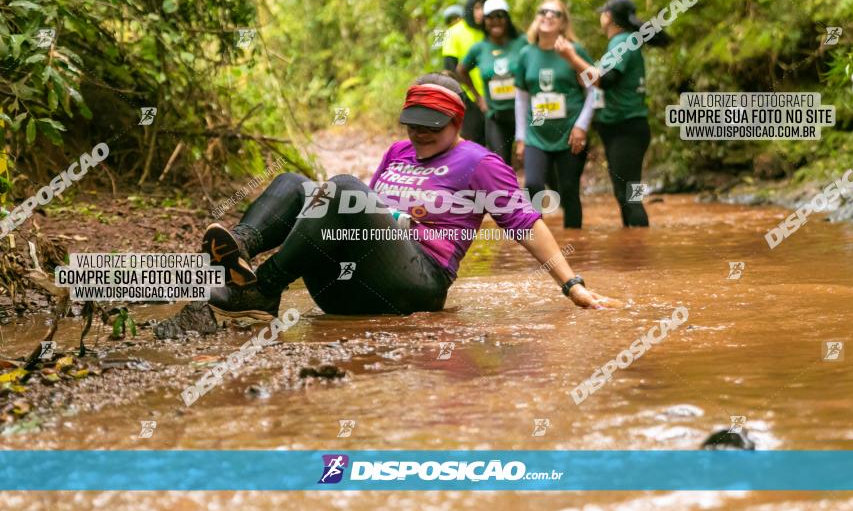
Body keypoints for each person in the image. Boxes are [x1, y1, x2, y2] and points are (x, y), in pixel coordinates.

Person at [156, 74, 618, 337]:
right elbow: (362, 208)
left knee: (338, 187)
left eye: (431, 126)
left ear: (456, 122)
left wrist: (571, 283)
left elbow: (525, 222)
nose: (418, 134)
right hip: (342, 287)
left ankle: (265, 289)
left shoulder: (480, 163)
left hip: (414, 283)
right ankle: (240, 249)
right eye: (413, 123)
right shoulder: (397, 152)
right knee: (297, 184)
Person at [560, 0, 670, 227]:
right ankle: (633, 254)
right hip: (624, 128)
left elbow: (606, 80)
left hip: (626, 128)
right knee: (626, 195)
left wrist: (571, 57)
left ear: (608, 17)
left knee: (630, 195)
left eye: (603, 13)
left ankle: (640, 252)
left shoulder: (622, 41)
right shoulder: (627, 41)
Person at [514, 0, 597, 229]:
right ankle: (537, 243)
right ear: (536, 18)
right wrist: (520, 137)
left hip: (570, 132)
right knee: (533, 185)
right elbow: (521, 99)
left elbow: (593, 91)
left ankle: (575, 247)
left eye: (555, 13)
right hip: (535, 134)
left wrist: (582, 126)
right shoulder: (526, 54)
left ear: (563, 23)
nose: (548, 16)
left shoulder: (574, 51)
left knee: (569, 190)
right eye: (543, 11)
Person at [456, 0, 526, 166]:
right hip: (496, 116)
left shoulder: (522, 42)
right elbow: (461, 71)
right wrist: (478, 97)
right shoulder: (479, 49)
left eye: (500, 16)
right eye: (490, 17)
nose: (496, 21)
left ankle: (550, 193)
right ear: (484, 21)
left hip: (525, 115)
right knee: (499, 166)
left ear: (507, 19)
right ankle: (506, 193)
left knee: (536, 169)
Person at [442, 0, 487, 146]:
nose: (481, 12)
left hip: (492, 96)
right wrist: (462, 97)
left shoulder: (490, 31)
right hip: (468, 96)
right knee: (471, 142)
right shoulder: (453, 32)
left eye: (484, 7)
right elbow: (449, 67)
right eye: (477, 8)